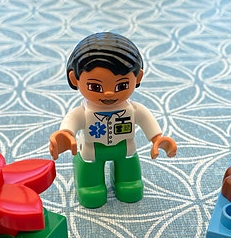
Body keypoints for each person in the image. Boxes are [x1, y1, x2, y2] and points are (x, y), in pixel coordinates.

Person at [49, 32, 177, 208]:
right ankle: (89, 185)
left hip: (125, 149)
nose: (108, 93)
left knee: (129, 177)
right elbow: (71, 120)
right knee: (91, 179)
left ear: (138, 78)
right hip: (92, 150)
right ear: (75, 79)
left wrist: (157, 138)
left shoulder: (133, 110)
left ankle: (127, 181)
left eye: (121, 85)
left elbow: (146, 119)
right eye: (95, 86)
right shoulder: (84, 112)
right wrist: (65, 133)